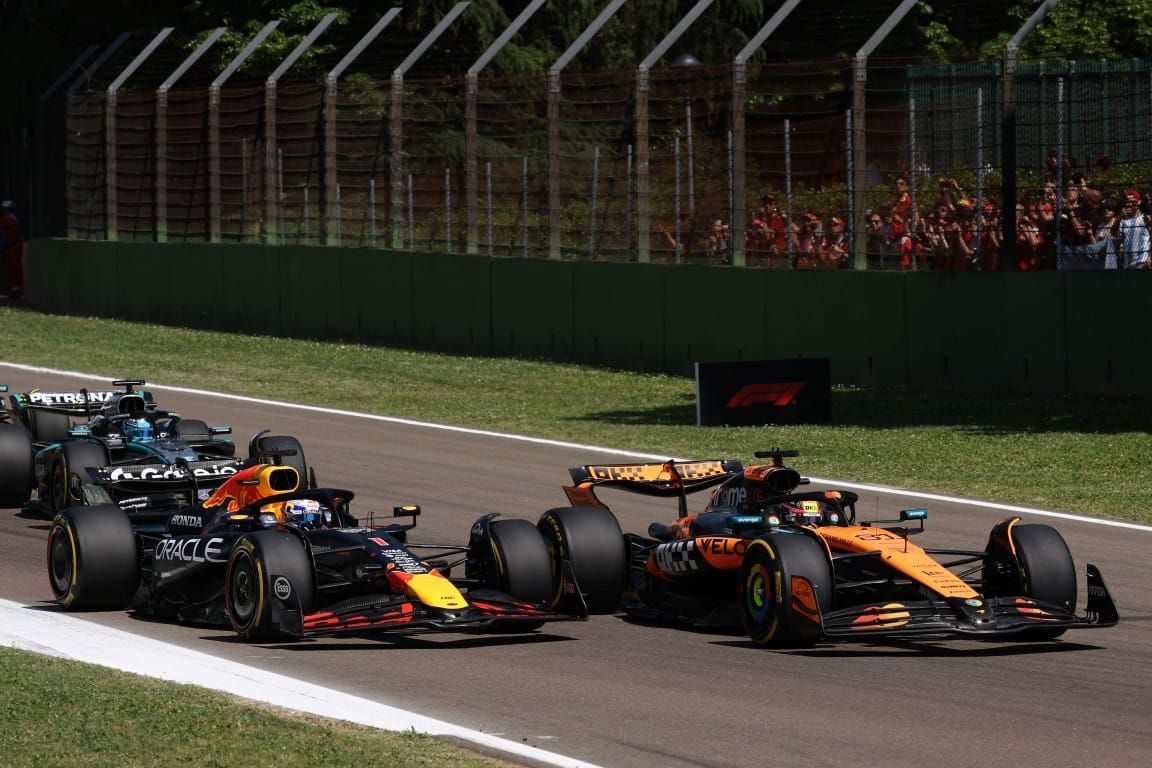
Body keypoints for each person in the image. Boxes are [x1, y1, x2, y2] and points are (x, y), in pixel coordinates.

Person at [1117, 189, 1150, 269]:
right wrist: (1119, 217)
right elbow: (1118, 239)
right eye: (1128, 202)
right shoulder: (1123, 220)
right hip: (1127, 263)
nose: (1130, 204)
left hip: (1142, 261)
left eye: (1133, 202)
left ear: (1139, 202)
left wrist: (1150, 258)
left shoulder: (1145, 218)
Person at [0, 200, 24, 299]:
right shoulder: (14, 218)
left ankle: (15, 292)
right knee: (15, 270)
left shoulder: (8, 219)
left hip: (12, 248)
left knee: (13, 270)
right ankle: (16, 290)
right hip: (14, 246)